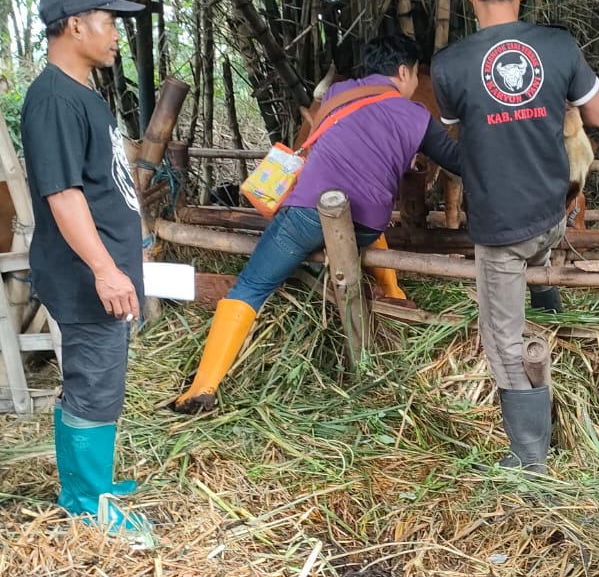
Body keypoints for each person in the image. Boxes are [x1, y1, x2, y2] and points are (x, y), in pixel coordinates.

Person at [172, 30, 460, 412]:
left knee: (252, 286)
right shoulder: (418, 116)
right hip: (365, 228)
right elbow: (459, 162)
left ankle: (201, 389)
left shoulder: (337, 94)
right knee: (362, 222)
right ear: (406, 72)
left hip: (306, 216)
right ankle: (393, 293)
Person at [431, 0, 599, 472]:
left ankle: (529, 458)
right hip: (553, 215)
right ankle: (553, 308)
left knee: (502, 339)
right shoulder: (559, 46)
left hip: (502, 229)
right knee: (541, 247)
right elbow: (598, 117)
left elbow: (460, 133)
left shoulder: (449, 65)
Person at [21, 0, 150, 536]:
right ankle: (85, 501)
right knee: (93, 381)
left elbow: (102, 184)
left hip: (104, 265)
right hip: (84, 273)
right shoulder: (53, 99)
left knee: (101, 378)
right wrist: (104, 268)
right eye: (109, 20)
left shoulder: (81, 94)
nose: (116, 33)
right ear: (76, 25)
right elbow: (63, 194)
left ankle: (90, 482)